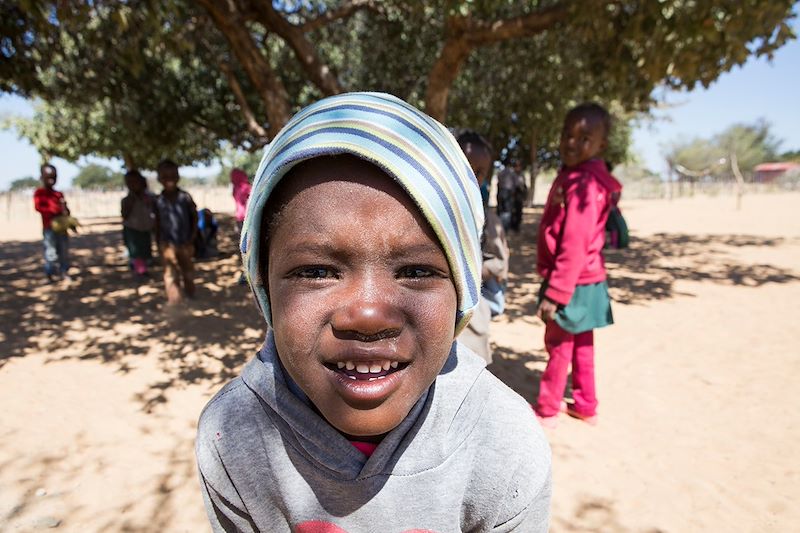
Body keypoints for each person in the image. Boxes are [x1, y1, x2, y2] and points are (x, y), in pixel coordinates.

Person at [195, 92, 551, 532]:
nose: (366, 315)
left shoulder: (504, 446)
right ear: (263, 285)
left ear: (462, 290)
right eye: (317, 270)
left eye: (417, 270)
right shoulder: (232, 438)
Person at [534, 103, 621, 429]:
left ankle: (547, 409)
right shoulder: (583, 179)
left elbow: (574, 244)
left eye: (584, 138)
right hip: (589, 280)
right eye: (567, 135)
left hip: (572, 283)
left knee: (560, 345)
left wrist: (555, 294)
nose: (572, 143)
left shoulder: (584, 184)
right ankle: (586, 405)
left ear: (601, 145)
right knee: (583, 345)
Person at [457, 131, 510, 320]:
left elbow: (499, 263)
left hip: (475, 303)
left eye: (479, 173)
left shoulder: (486, 220)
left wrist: (466, 275)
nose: (472, 177)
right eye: (466, 167)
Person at [154, 160, 198, 305]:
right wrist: (159, 242)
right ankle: (175, 300)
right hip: (167, 244)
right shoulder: (158, 201)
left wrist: (192, 238)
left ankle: (191, 293)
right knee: (170, 273)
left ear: (178, 176)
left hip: (185, 242)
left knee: (188, 270)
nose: (169, 179)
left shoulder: (185, 197)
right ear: (159, 178)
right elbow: (157, 222)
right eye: (165, 176)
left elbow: (194, 217)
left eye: (173, 175)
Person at [34, 163, 72, 283]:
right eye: (48, 177)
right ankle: (49, 273)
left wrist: (65, 209)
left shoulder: (58, 194)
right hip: (49, 228)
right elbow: (39, 207)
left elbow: (66, 211)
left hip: (61, 228)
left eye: (54, 177)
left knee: (64, 251)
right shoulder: (39, 193)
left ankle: (64, 272)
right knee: (50, 252)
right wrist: (55, 211)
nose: (51, 180)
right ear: (42, 177)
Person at [121, 170, 155, 277]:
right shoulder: (127, 200)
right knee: (136, 251)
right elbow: (125, 215)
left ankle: (142, 266)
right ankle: (140, 270)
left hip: (145, 228)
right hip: (132, 229)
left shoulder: (148, 198)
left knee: (144, 249)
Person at [230, 168, 251, 284]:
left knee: (243, 248)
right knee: (249, 248)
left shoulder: (235, 188)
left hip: (239, 220)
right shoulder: (246, 188)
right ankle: (247, 274)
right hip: (246, 221)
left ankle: (245, 273)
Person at [510, 159, 528, 232]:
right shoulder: (512, 175)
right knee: (513, 211)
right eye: (516, 166)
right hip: (513, 194)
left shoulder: (522, 175)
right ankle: (513, 226)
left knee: (519, 211)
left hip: (519, 195)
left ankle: (517, 226)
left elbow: (523, 186)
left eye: (518, 166)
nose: (517, 167)